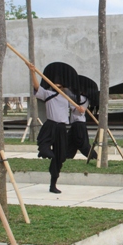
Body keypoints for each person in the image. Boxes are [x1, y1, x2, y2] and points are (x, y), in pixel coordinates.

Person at [28, 62, 84, 193]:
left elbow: (77, 110)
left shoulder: (67, 97)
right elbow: (36, 86)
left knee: (60, 157)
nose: (59, 87)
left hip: (62, 128)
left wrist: (80, 109)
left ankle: (53, 184)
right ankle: (44, 150)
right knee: (44, 143)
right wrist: (32, 72)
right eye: (56, 85)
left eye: (61, 85)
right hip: (51, 124)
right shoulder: (48, 93)